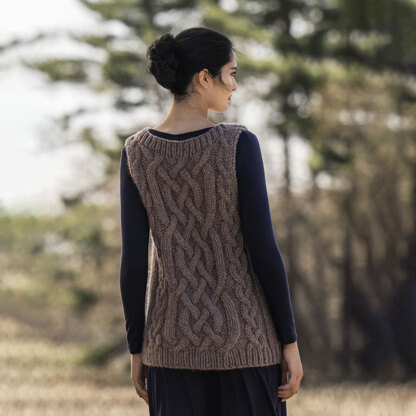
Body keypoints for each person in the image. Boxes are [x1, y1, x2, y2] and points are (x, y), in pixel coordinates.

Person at [119, 26, 303, 415]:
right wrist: (289, 341)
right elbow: (264, 251)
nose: (234, 85)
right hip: (247, 347)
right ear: (204, 78)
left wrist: (137, 348)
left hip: (169, 352)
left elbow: (133, 265)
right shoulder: (238, 144)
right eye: (230, 74)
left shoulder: (136, 153)